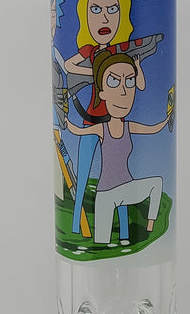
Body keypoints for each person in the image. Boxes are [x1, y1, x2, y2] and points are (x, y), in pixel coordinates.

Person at [61, 49, 170, 246]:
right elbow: (76, 130)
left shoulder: (129, 126)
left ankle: (149, 224)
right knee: (101, 241)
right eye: (113, 81)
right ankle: (86, 229)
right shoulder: (101, 128)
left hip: (126, 188)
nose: (123, 92)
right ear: (102, 93)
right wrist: (64, 116)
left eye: (129, 82)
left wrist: (168, 119)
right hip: (105, 193)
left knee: (157, 183)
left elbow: (153, 128)